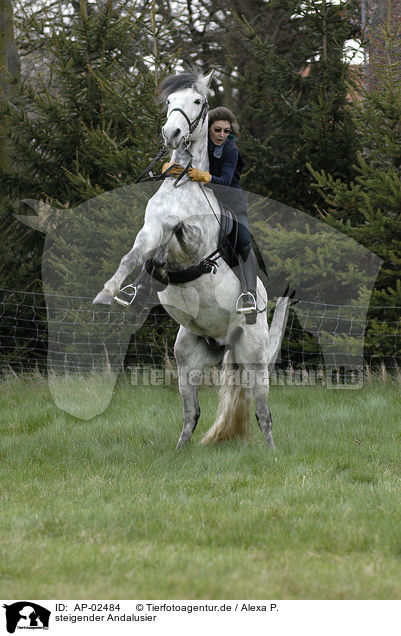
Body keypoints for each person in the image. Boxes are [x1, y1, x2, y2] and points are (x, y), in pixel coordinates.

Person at [165, 106, 258, 317]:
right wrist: (171, 166)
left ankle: (249, 293)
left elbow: (225, 181)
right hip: (203, 201)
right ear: (209, 129)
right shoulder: (200, 144)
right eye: (217, 130)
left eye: (226, 131)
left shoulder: (230, 149)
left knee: (243, 240)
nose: (222, 135)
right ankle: (143, 282)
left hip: (230, 202)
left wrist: (204, 176)